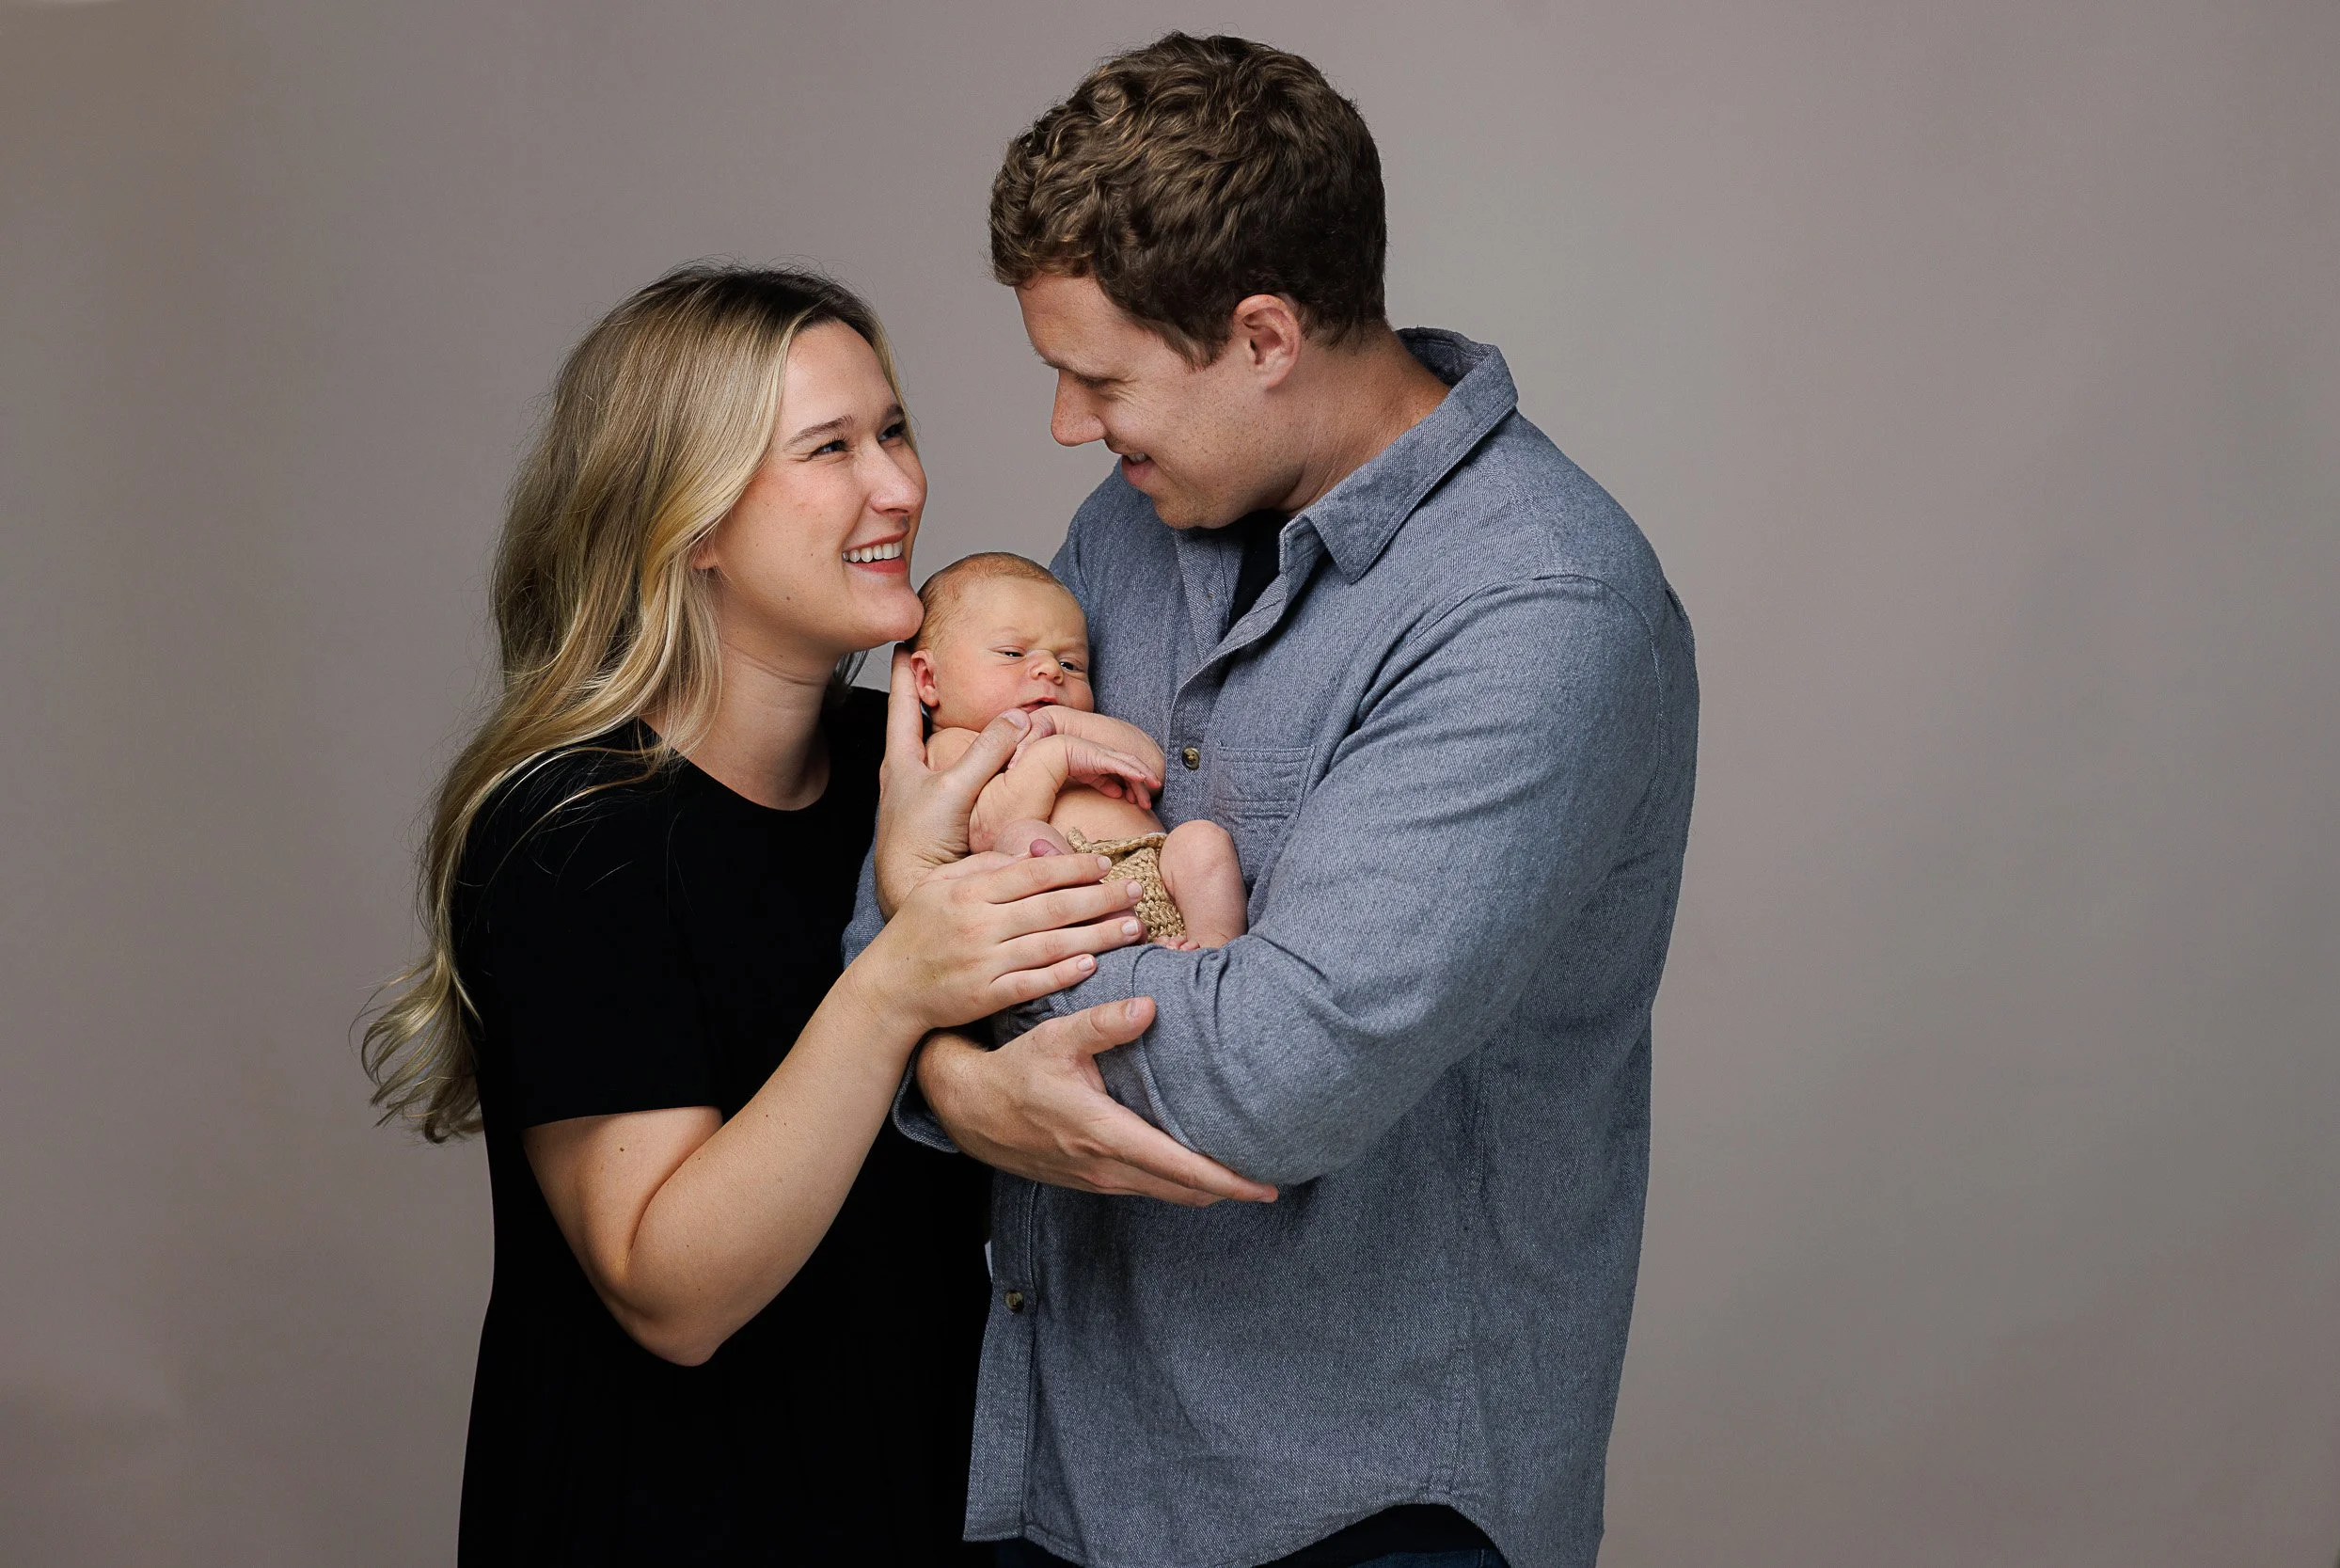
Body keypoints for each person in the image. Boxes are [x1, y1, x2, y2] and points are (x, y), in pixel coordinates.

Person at [852, 34, 1700, 1568]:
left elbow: (1275, 1077)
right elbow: (902, 849)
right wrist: (951, 1081)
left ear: (1261, 337)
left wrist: (936, 1007)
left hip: (1359, 1511)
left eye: (1095, 376)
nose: (1063, 426)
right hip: (1059, 1466)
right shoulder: (1134, 519)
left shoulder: (1542, 609)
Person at [360, 264, 1151, 1564]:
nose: (899, 486)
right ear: (695, 518)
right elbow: (670, 1289)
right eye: (829, 449)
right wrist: (899, 979)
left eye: (892, 430)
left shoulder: (909, 774)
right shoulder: (571, 833)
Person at [910, 551, 1248, 948]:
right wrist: (1057, 756)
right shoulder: (953, 745)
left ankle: (1211, 948)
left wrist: (1063, 725)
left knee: (1201, 839)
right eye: (1013, 654)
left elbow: (1152, 767)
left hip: (1157, 868)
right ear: (930, 679)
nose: (1050, 670)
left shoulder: (1072, 724)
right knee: (1024, 839)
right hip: (1071, 892)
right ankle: (1116, 939)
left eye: (1071, 665)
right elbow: (990, 830)